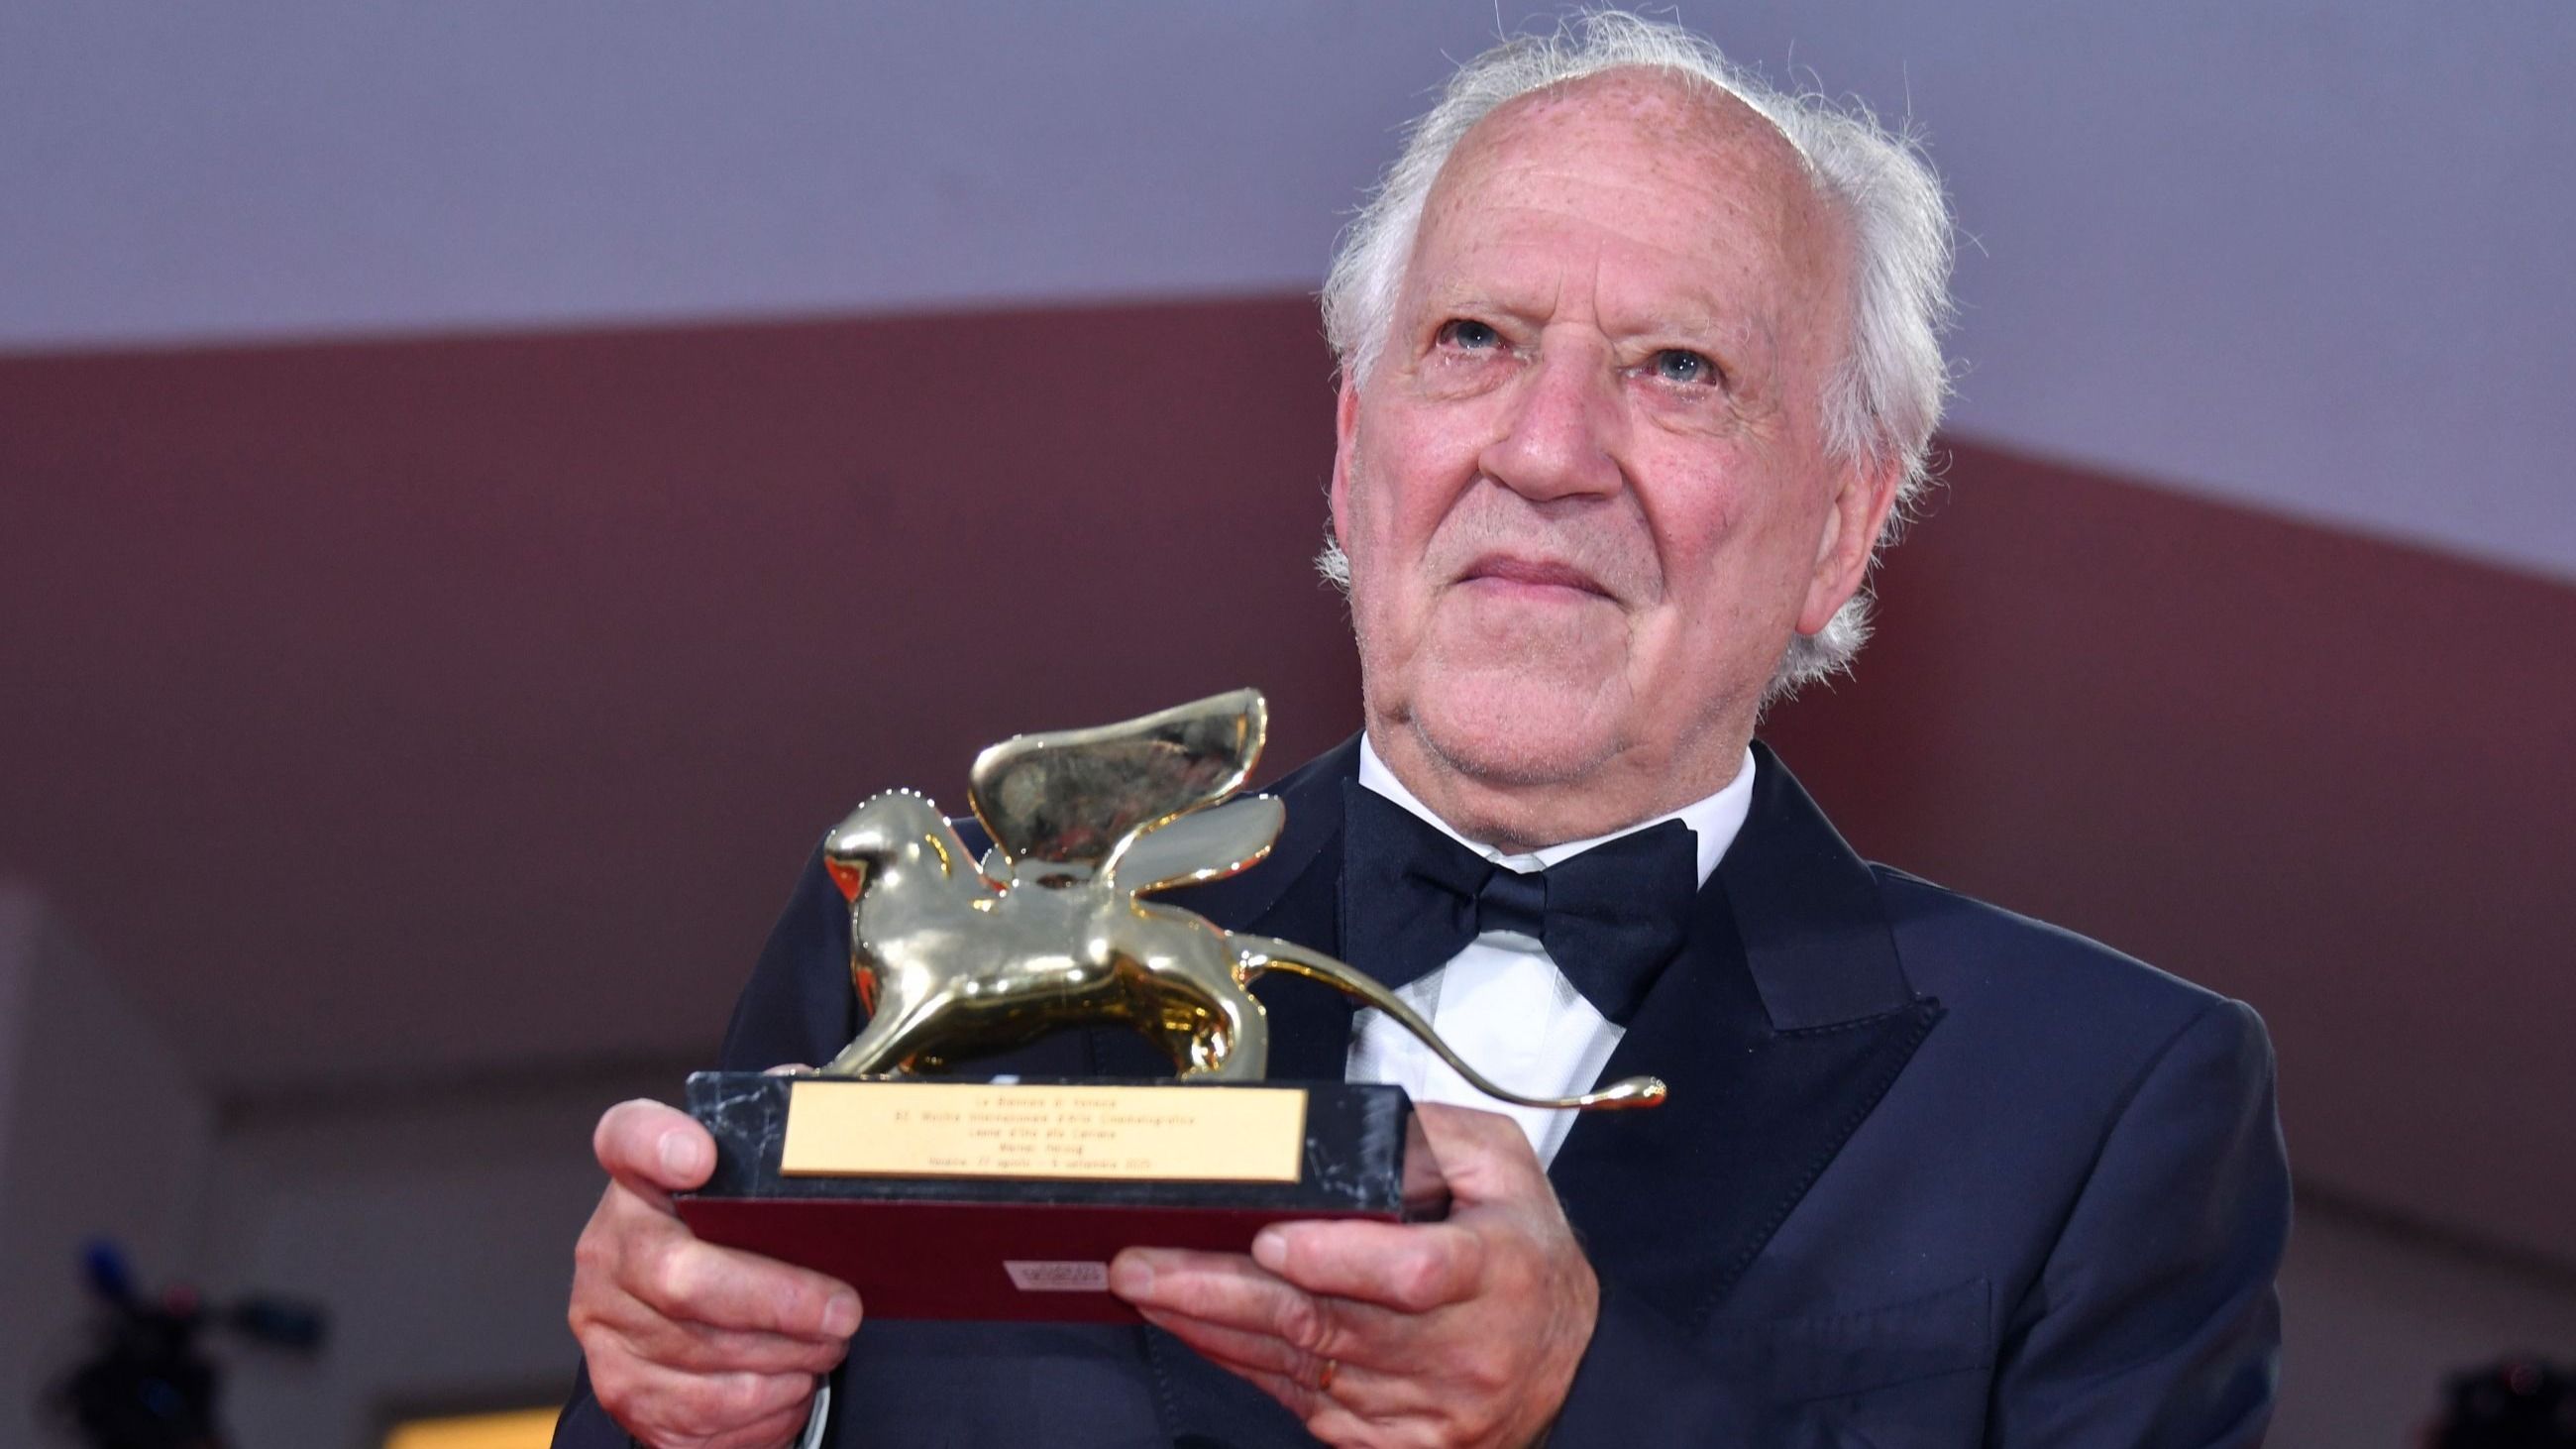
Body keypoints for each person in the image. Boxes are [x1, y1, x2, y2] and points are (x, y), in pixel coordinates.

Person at [555, 13, 2289, 1448]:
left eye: (1679, 367)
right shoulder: (926, 968)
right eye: (1476, 339)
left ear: (1842, 521)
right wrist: (690, 1424)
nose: (1548, 448)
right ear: (1355, 446)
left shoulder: (2095, 1104)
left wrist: (1581, 1399)